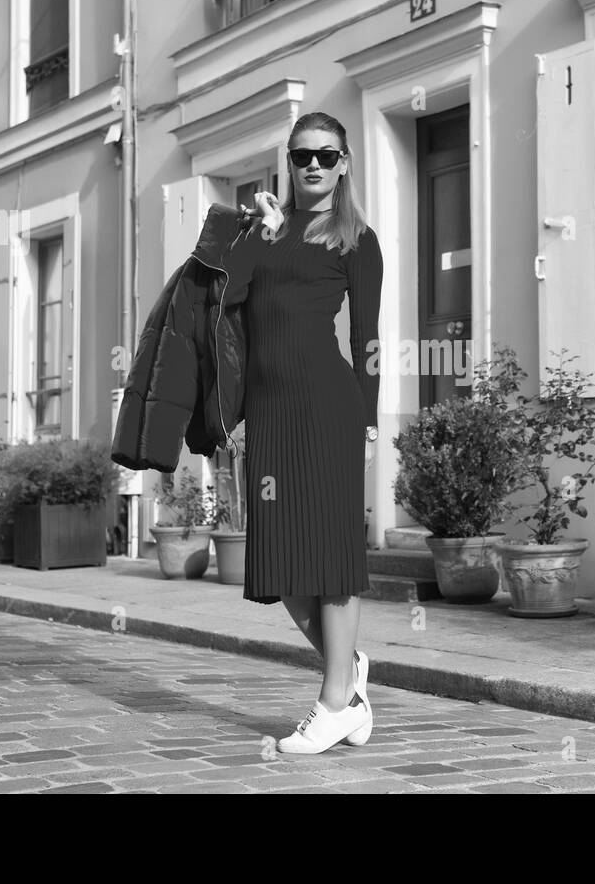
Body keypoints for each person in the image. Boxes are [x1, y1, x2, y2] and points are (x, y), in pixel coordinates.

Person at [239, 111, 383, 754]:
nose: (315, 165)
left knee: (329, 559)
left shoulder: (357, 238)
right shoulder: (265, 233)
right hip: (268, 413)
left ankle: (332, 703)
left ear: (344, 162)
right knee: (278, 559)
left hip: (329, 409)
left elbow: (367, 338)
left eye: (327, 155)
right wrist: (254, 237)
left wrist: (373, 420)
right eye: (303, 156)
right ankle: (348, 679)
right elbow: (223, 301)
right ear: (289, 163)